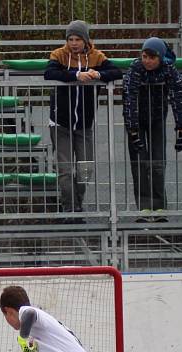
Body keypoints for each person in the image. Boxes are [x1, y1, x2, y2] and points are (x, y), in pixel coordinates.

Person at [44, 20, 122, 218]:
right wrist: (77, 75)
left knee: (86, 169)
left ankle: (77, 203)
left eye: (78, 39)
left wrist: (98, 74)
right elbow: (50, 72)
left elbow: (116, 72)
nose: (74, 43)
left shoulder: (97, 56)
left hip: (85, 124)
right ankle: (70, 209)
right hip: (60, 123)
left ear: (86, 40)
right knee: (65, 169)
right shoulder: (59, 54)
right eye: (70, 39)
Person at [122, 37, 182, 221]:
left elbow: (179, 97)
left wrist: (181, 128)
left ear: (160, 57)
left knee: (158, 162)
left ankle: (160, 207)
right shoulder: (135, 69)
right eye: (144, 56)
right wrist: (133, 130)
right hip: (136, 122)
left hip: (158, 120)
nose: (147, 61)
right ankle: (143, 207)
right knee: (139, 163)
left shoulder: (169, 70)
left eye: (152, 58)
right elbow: (130, 99)